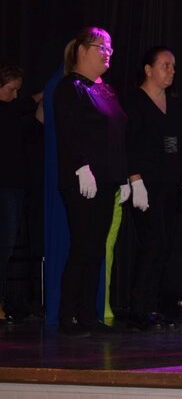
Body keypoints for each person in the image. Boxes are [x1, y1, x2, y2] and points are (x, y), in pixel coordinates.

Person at [53, 27, 131, 336]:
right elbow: (70, 132)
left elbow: (118, 135)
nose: (107, 52)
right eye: (102, 47)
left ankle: (87, 314)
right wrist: (82, 167)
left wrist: (123, 177)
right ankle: (67, 315)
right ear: (83, 51)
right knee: (83, 247)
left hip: (107, 181)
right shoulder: (69, 88)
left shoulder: (106, 90)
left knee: (96, 249)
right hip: (83, 180)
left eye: (110, 47)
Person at [124, 46, 182, 330]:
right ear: (148, 69)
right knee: (153, 243)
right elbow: (128, 143)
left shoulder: (174, 106)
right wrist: (135, 179)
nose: (171, 71)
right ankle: (138, 308)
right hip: (145, 185)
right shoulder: (134, 103)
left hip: (170, 186)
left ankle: (153, 306)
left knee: (166, 246)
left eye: (173, 66)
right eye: (165, 65)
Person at [0, 61, 43, 323]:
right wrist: (40, 96)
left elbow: (27, 136)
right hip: (4, 187)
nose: (15, 95)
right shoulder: (6, 110)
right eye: (11, 89)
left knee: (6, 245)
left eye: (18, 90)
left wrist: (40, 117)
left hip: (15, 187)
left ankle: (2, 300)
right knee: (3, 244)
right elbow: (18, 108)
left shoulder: (12, 114)